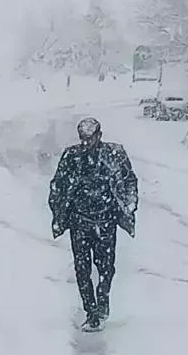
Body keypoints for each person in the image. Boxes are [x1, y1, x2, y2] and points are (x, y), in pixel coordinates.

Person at [48, 117, 138, 332]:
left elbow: (129, 181)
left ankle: (103, 302)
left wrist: (129, 205)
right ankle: (91, 312)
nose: (87, 142)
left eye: (91, 138)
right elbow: (57, 185)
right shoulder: (72, 156)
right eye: (83, 138)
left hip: (106, 220)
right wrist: (59, 211)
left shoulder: (114, 154)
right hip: (79, 221)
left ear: (100, 135)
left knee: (106, 266)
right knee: (82, 268)